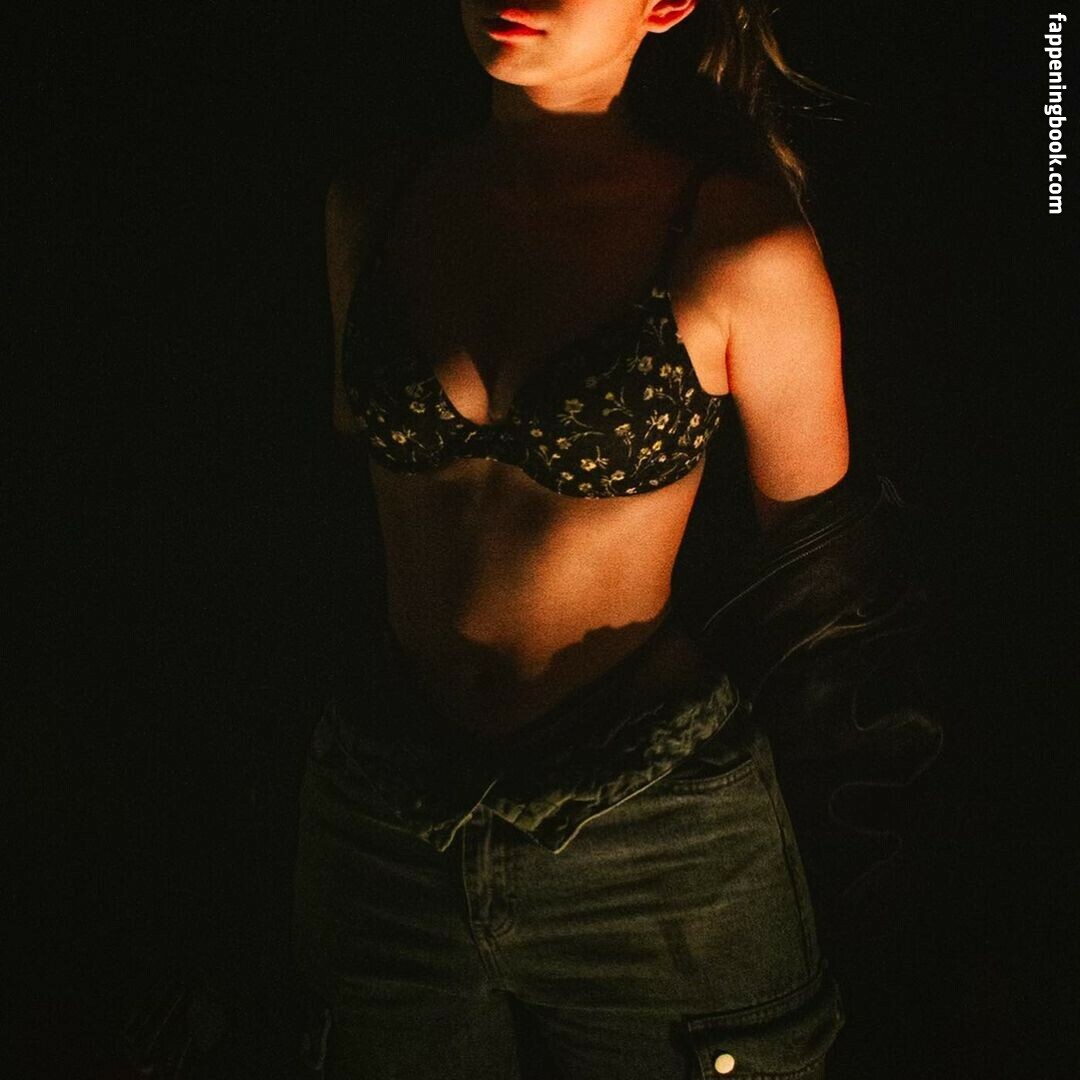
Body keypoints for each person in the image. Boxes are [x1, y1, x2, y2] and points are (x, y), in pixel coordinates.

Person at [292, 2, 860, 1076]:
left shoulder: (741, 244)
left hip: (653, 838)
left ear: (666, 6)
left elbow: (824, 582)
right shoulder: (376, 203)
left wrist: (859, 848)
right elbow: (330, 510)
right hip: (387, 812)